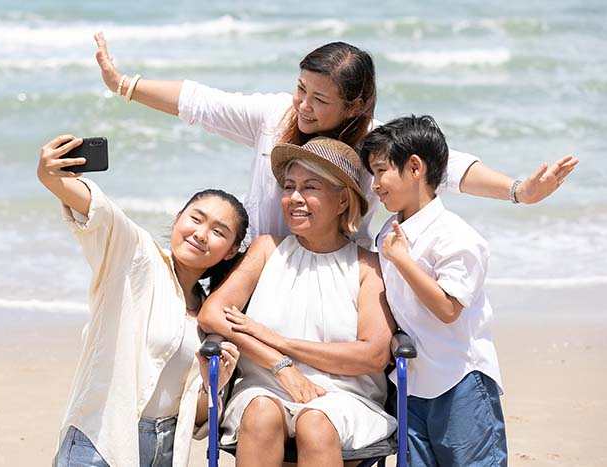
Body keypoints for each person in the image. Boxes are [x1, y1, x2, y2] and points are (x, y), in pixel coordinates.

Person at [93, 32, 578, 244]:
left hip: (335, 270)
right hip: (263, 266)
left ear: (354, 106)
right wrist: (124, 85)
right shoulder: (275, 115)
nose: (303, 106)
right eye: (300, 89)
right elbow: (200, 101)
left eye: (319, 100)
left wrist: (519, 191)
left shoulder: (376, 143)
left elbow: (448, 166)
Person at [37, 134, 245, 467]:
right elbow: (103, 214)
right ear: (178, 218)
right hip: (103, 439)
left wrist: (212, 382)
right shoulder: (138, 258)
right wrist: (52, 176)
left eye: (219, 231)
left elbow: (196, 422)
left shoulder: (212, 315)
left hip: (165, 452)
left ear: (232, 250)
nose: (201, 234)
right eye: (196, 218)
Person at [197, 137, 398, 467]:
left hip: (344, 399)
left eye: (310, 187)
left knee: (315, 421)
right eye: (289, 187)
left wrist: (281, 341)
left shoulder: (366, 267)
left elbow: (373, 355)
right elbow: (211, 315)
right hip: (264, 388)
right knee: (262, 412)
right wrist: (281, 365)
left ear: (343, 200)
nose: (294, 198)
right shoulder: (267, 250)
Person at [362, 115, 507, 466]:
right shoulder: (389, 232)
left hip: (460, 380)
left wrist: (402, 260)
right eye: (373, 173)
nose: (376, 183)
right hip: (411, 383)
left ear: (414, 167)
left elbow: (447, 309)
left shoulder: (456, 235)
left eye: (382, 170)